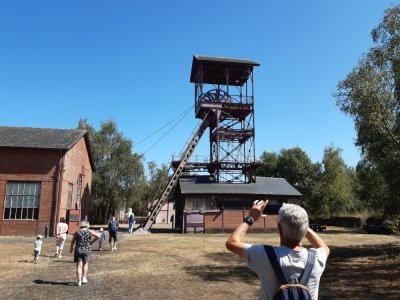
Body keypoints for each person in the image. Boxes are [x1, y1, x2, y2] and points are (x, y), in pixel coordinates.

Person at [226, 200, 330, 300]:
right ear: (305, 227)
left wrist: (251, 218)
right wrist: (302, 225)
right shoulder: (317, 258)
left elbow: (231, 243)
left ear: (279, 228)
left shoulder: (265, 255)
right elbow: (324, 247)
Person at [70, 220, 100, 286]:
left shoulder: (77, 232)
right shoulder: (90, 231)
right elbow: (98, 236)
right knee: (85, 264)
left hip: (78, 249)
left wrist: (71, 247)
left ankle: (79, 281)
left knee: (79, 265)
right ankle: (84, 277)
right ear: (87, 225)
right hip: (87, 249)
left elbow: (73, 241)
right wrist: (92, 242)